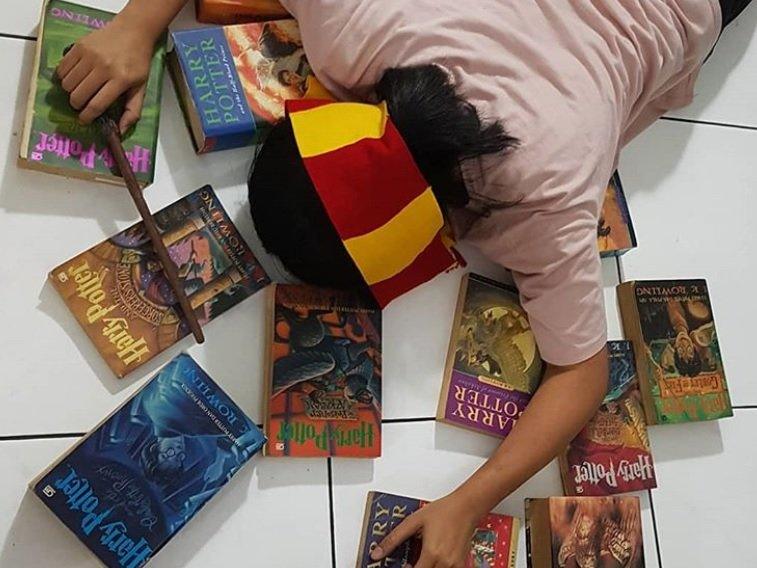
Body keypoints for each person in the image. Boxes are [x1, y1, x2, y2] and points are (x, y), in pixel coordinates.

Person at [57, 0, 753, 566]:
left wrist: (471, 499)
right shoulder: (356, 30)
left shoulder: (538, 207)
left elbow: (583, 372)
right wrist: (137, 25)